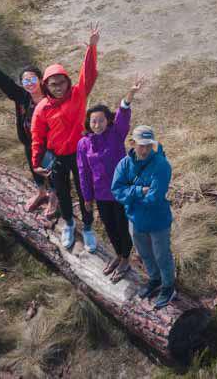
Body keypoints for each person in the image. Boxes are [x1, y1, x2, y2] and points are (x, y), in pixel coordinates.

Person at [31, 25, 100, 250]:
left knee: (85, 192)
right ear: (46, 86)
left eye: (62, 82)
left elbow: (88, 74)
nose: (58, 87)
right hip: (57, 158)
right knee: (62, 192)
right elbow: (37, 137)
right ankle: (69, 224)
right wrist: (36, 163)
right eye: (53, 84)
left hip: (80, 155)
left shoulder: (79, 94)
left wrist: (91, 48)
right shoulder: (42, 108)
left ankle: (88, 228)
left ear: (68, 82)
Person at [0, 47, 52, 215]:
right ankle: (41, 193)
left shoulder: (51, 98)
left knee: (53, 171)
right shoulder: (21, 96)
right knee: (34, 167)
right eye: (25, 81)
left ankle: (55, 198)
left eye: (33, 79)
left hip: (50, 144)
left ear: (41, 80)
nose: (30, 84)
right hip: (30, 143)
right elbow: (4, 81)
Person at [77, 75, 144, 279]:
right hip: (102, 194)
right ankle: (118, 254)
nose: (97, 124)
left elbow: (123, 115)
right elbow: (83, 172)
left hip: (122, 191)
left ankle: (125, 259)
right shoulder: (83, 144)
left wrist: (129, 95)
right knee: (109, 227)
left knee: (123, 227)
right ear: (89, 123)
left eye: (101, 120)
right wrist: (87, 198)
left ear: (108, 121)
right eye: (93, 121)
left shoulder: (116, 134)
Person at [112, 125, 176, 309]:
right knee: (145, 254)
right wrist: (139, 190)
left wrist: (130, 195)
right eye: (142, 145)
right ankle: (155, 279)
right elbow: (116, 190)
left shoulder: (162, 165)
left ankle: (169, 286)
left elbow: (155, 197)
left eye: (149, 145)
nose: (146, 149)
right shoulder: (124, 164)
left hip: (158, 221)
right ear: (132, 143)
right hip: (135, 220)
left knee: (162, 254)